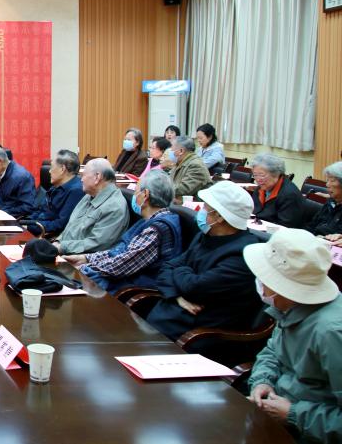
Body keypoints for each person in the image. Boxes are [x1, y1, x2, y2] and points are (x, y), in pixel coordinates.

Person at [244, 228, 342, 443]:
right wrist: (262, 381)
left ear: (282, 288)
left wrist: (294, 414)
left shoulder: (331, 332)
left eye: (264, 278)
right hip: (276, 414)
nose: (259, 282)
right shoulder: (292, 307)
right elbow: (273, 350)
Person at [144, 181, 264, 344]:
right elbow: (167, 266)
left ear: (219, 217)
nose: (200, 212)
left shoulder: (242, 255)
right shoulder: (207, 235)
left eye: (206, 208)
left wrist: (181, 270)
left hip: (194, 334)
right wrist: (176, 296)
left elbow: (194, 287)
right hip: (166, 318)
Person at [66, 170, 182, 293]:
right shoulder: (149, 220)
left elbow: (121, 265)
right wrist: (85, 258)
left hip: (132, 289)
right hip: (123, 278)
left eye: (136, 191)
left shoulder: (157, 229)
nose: (134, 196)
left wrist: (85, 267)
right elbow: (119, 252)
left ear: (145, 195)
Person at [53, 158, 128, 255]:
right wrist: (57, 242)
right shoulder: (89, 196)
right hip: (64, 251)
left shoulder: (114, 207)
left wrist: (60, 247)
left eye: (83, 175)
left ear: (97, 177)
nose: (81, 180)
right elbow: (70, 228)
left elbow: (96, 244)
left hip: (79, 259)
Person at [24, 149, 85, 237]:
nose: (49, 171)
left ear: (62, 169)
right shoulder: (56, 185)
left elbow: (60, 224)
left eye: (52, 167)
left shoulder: (76, 191)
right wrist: (26, 222)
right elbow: (41, 210)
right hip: (38, 229)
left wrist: (29, 226)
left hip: (49, 236)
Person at [251, 153, 303, 229]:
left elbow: (285, 226)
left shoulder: (289, 194)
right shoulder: (260, 188)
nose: (258, 179)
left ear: (276, 174)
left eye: (262, 175)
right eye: (255, 175)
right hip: (257, 227)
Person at [305, 161, 341, 243]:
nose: (327, 185)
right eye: (327, 180)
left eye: (332, 181)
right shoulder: (331, 202)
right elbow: (312, 225)